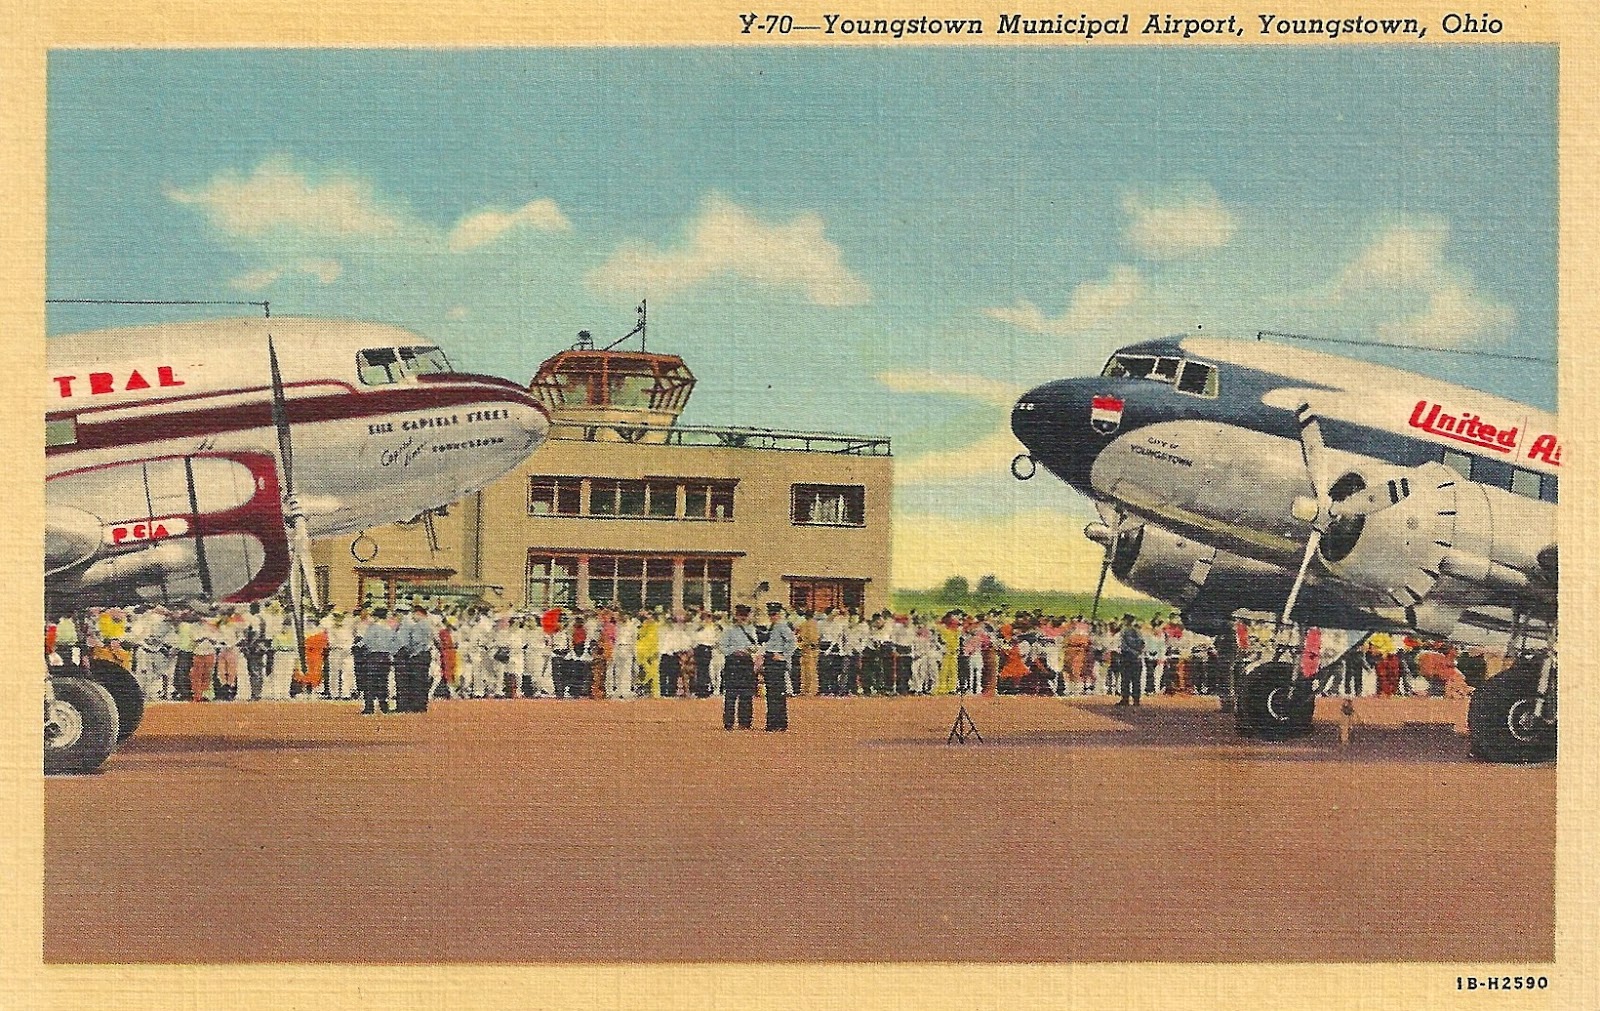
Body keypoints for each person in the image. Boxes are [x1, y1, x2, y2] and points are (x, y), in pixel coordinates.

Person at [719, 604, 761, 730]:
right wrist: (734, 651)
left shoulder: (751, 630)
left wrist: (749, 650)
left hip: (746, 662)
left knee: (746, 694)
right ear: (736, 616)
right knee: (730, 694)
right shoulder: (729, 630)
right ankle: (729, 722)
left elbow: (756, 646)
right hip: (733, 662)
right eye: (740, 615)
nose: (742, 618)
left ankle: (745, 722)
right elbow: (722, 646)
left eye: (745, 616)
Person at [762, 602, 797, 731]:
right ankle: (773, 722)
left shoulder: (782, 626)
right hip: (769, 658)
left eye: (774, 614)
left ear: (779, 614)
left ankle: (779, 723)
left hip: (776, 660)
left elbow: (792, 641)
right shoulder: (772, 626)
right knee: (771, 692)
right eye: (771, 614)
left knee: (777, 693)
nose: (772, 616)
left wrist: (784, 656)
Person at [394, 603, 435, 712]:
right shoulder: (425, 623)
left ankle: (410, 706)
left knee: (413, 682)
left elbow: (412, 641)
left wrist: (408, 652)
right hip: (422, 654)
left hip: (414, 655)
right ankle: (418, 706)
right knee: (419, 681)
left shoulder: (411, 624)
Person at [355, 608, 396, 714]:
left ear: (376, 617)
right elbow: (393, 643)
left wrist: (356, 646)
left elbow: (365, 641)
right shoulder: (389, 628)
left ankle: (369, 707)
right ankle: (384, 706)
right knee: (383, 682)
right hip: (386, 657)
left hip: (373, 656)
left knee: (370, 682)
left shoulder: (373, 627)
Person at [1117, 614, 1144, 706]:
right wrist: (1137, 652)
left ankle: (1125, 699)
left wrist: (1132, 651)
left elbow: (1124, 646)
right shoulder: (1138, 631)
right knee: (1136, 680)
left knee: (1126, 679)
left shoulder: (1124, 631)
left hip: (1127, 656)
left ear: (1126, 621)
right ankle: (1136, 700)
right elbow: (1142, 644)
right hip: (1137, 657)